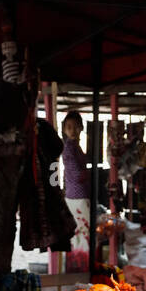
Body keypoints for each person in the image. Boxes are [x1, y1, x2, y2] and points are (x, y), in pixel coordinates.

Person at [60, 109, 91, 271]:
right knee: (83, 236)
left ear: (81, 128)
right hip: (76, 198)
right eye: (69, 127)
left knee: (80, 236)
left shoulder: (75, 147)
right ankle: (80, 270)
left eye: (75, 126)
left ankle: (79, 268)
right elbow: (78, 175)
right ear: (64, 129)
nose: (72, 130)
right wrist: (89, 174)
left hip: (77, 196)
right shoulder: (69, 149)